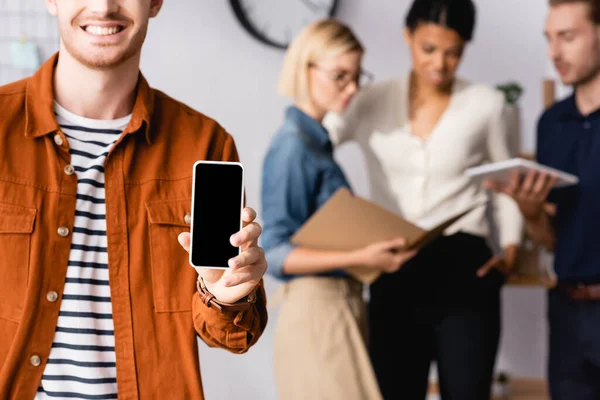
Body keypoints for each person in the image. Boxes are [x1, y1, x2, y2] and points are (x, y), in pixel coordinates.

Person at [0, 1, 268, 398]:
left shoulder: (205, 144)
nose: (105, 6)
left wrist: (225, 293)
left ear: (155, 2)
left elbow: (232, 336)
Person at [323, 0, 525, 398]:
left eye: (453, 52)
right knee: (394, 390)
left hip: (465, 268)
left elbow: (508, 184)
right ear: (408, 37)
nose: (440, 64)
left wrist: (512, 248)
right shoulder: (370, 98)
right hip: (393, 266)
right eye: (428, 49)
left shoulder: (487, 104)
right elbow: (317, 140)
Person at [261, 19, 417, 400]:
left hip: (339, 306)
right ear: (305, 68)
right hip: (317, 312)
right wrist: (359, 255)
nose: (352, 88)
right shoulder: (292, 146)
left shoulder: (317, 143)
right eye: (340, 76)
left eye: (356, 76)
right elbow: (275, 252)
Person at [486, 0, 600, 398]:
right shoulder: (551, 124)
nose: (554, 52)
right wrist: (530, 211)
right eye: (549, 39)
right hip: (567, 311)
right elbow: (552, 238)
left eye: (567, 37)